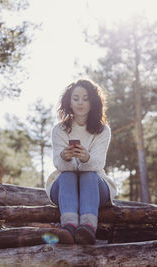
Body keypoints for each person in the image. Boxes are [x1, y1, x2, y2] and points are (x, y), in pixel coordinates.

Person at [45, 79, 117, 245]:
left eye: (85, 98)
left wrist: (86, 158)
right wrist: (65, 156)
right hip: (64, 186)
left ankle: (88, 228)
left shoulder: (102, 129)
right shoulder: (59, 129)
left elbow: (98, 164)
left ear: (93, 101)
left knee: (89, 175)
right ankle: (69, 227)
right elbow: (58, 164)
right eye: (76, 98)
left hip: (95, 187)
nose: (80, 102)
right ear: (69, 102)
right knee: (68, 174)